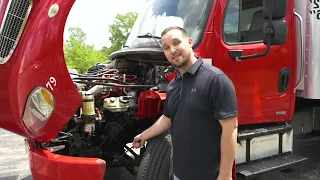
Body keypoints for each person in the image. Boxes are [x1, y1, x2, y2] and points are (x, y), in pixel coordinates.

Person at [133, 26, 238, 180]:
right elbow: (168, 117)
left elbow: (230, 129)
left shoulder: (215, 80)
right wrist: (144, 135)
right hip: (179, 174)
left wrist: (225, 175)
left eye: (176, 43)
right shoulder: (173, 85)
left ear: (190, 42)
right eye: (167, 47)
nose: (172, 50)